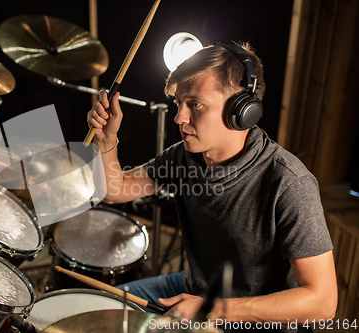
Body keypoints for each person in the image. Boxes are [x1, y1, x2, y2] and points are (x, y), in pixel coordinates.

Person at [87, 42, 337, 331]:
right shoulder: (184, 155)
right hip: (195, 290)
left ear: (242, 110)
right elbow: (116, 190)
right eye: (178, 103)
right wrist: (106, 140)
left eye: (195, 104)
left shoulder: (289, 183)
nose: (179, 117)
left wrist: (214, 309)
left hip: (257, 319)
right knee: (95, 311)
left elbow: (323, 303)